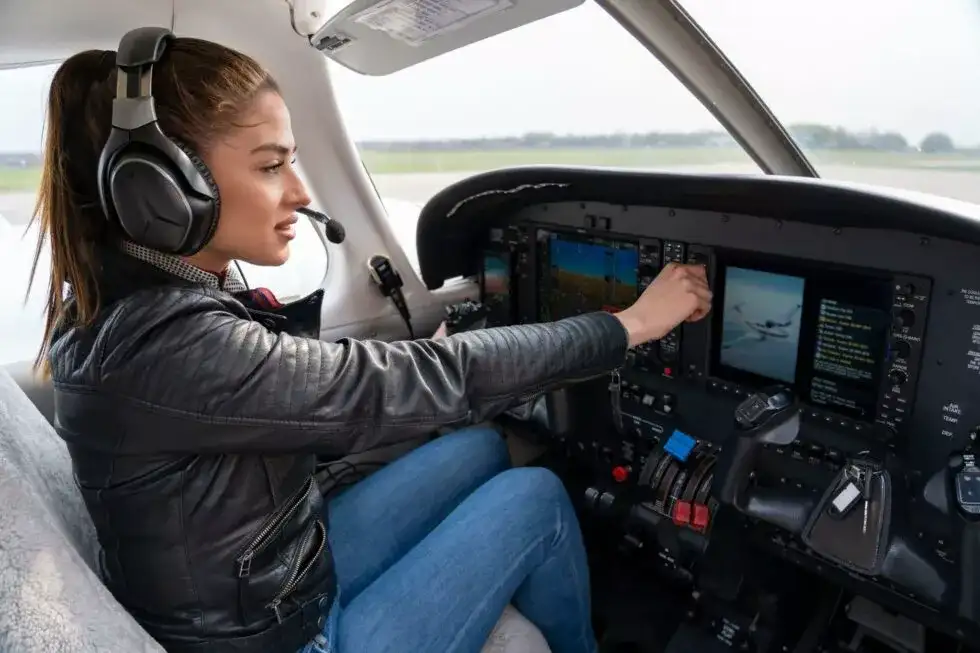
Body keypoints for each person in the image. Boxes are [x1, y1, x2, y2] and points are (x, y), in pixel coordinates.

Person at [31, 36, 712, 653]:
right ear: (168, 189)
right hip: (284, 638)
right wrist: (630, 325)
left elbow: (275, 400)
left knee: (477, 444)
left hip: (266, 584)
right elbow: (399, 379)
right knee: (534, 495)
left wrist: (419, 372)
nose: (299, 194)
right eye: (272, 167)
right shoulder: (167, 343)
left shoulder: (129, 307)